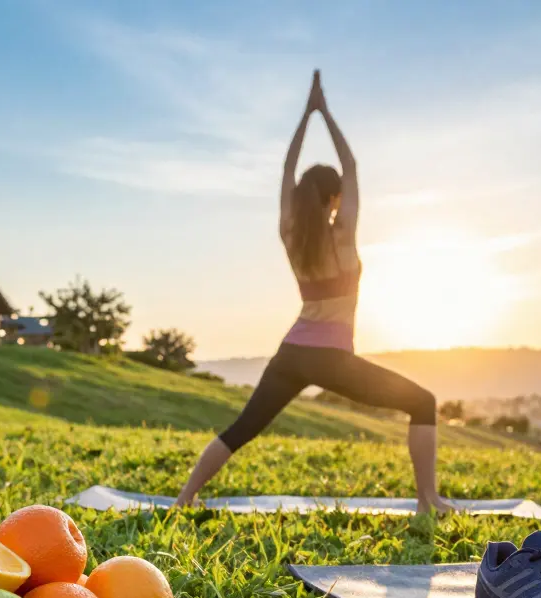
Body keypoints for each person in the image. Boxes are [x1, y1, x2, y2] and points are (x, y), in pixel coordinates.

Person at [175, 70, 455, 514]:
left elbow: (288, 168)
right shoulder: (342, 234)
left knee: (242, 427)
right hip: (333, 359)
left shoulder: (290, 231)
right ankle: (429, 501)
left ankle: (183, 498)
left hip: (291, 353)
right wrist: (324, 113)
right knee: (423, 402)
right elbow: (352, 167)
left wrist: (305, 116)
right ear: (334, 199)